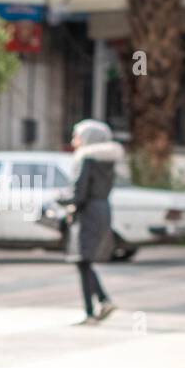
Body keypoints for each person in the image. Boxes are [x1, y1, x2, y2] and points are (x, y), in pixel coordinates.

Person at [65, 119, 122, 325]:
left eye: (77, 136)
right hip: (102, 209)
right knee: (84, 261)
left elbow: (79, 192)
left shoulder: (85, 158)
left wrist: (67, 204)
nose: (74, 141)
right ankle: (101, 302)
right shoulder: (107, 160)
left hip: (87, 211)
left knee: (82, 260)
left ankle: (93, 311)